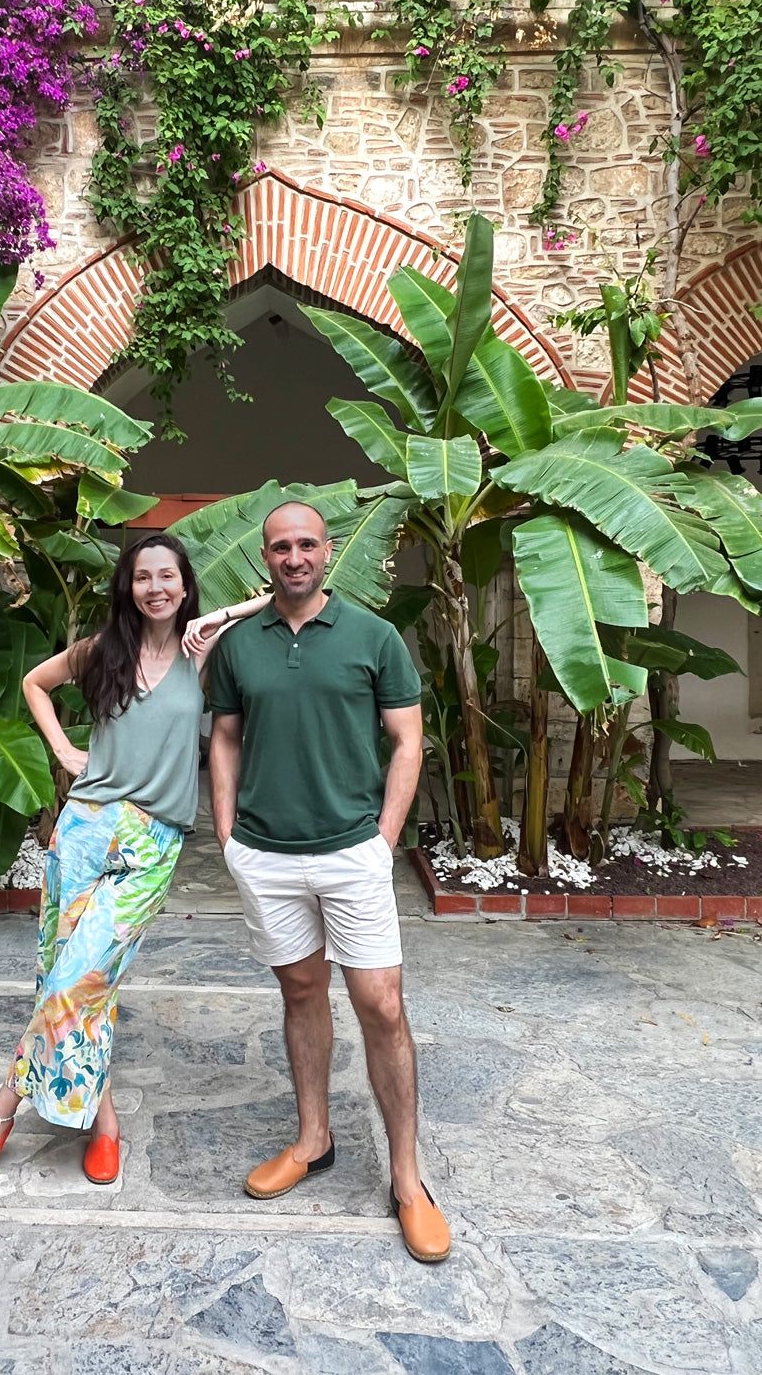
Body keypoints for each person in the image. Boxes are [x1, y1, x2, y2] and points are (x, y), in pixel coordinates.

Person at [0, 532, 266, 1190]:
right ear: (128, 586)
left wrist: (222, 614)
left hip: (152, 841)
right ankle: (105, 1122)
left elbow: (278, 598)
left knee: (79, 980)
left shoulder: (201, 650)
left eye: (167, 576)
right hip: (85, 829)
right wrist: (63, 750)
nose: (155, 587)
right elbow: (35, 683)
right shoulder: (104, 650)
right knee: (64, 975)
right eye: (142, 576)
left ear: (185, 584)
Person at [207, 501, 451, 1263]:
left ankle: (406, 1179)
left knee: (381, 1005)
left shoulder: (373, 637)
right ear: (265, 558)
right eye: (280, 547)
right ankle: (313, 1138)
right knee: (301, 992)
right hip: (266, 854)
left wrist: (383, 841)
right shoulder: (238, 645)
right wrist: (226, 835)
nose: (293, 557)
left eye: (305, 544)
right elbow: (224, 737)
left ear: (326, 551)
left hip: (352, 852)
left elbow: (407, 740)